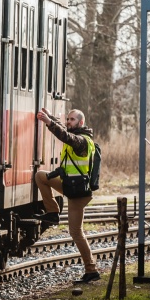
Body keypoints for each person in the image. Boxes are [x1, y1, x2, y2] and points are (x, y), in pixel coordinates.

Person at [34, 107, 100, 284]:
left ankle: (91, 270)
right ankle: (53, 212)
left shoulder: (83, 141)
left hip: (79, 192)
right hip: (69, 185)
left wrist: (48, 122)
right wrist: (51, 118)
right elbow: (64, 130)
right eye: (68, 119)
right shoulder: (74, 134)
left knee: (76, 232)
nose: (69, 122)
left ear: (81, 122)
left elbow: (66, 136)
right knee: (41, 176)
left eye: (72, 120)